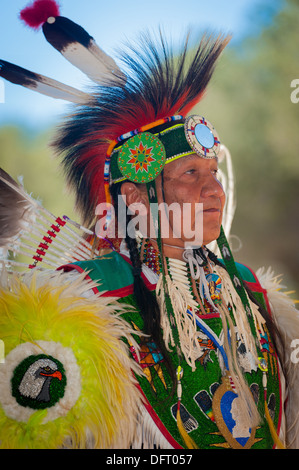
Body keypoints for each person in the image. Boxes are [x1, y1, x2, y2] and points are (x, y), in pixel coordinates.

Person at [0, 0, 299, 450]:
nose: (215, 190)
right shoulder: (84, 303)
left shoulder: (253, 295)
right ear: (136, 198)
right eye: (191, 175)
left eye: (214, 173)